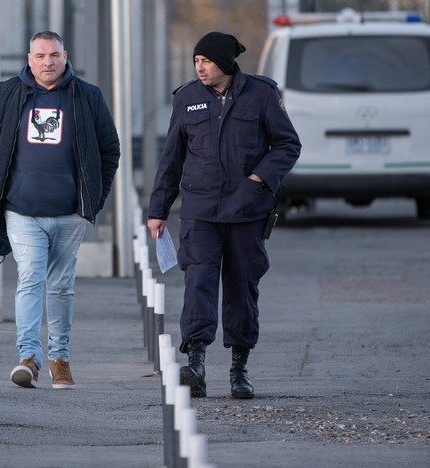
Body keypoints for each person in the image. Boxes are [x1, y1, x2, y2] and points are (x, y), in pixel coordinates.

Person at [147, 32, 301, 399]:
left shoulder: (262, 94)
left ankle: (239, 368)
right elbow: (171, 159)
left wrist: (258, 179)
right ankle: (196, 363)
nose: (200, 67)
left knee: (241, 289)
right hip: (200, 212)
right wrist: (158, 210)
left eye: (207, 61)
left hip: (247, 211)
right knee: (197, 282)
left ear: (225, 63)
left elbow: (288, 144)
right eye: (196, 60)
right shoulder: (186, 98)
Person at [0, 31, 120, 390]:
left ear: (65, 56)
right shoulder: (9, 93)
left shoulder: (87, 96)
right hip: (22, 210)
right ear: (29, 58)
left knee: (61, 286)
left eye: (54, 55)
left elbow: (109, 150)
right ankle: (28, 358)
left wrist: (94, 200)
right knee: (30, 279)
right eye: (40, 56)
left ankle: (60, 359)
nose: (47, 62)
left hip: (70, 213)